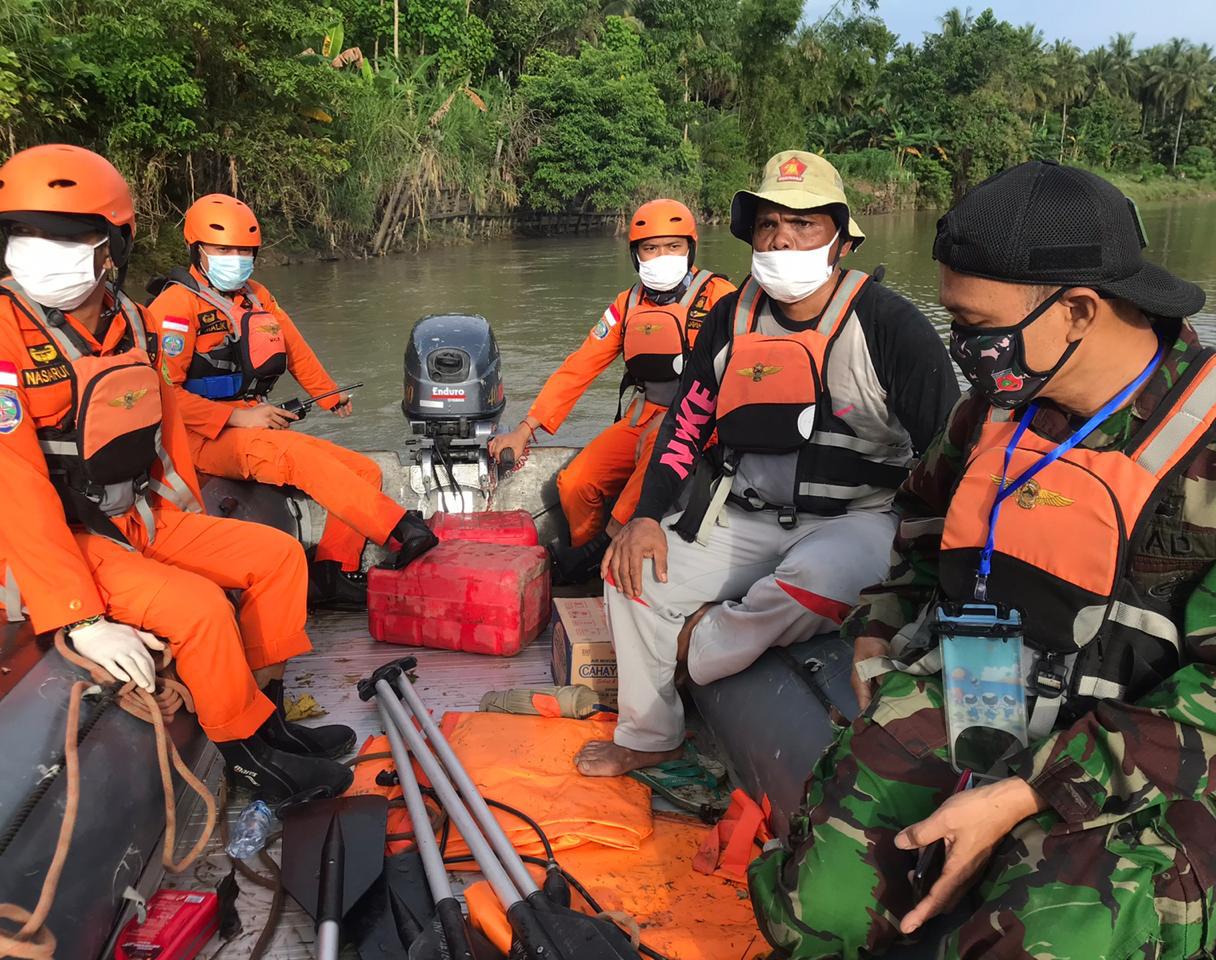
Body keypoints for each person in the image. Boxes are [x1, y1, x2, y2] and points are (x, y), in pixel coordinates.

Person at [748, 161, 1216, 958]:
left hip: (1153, 760)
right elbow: (924, 530)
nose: (962, 350)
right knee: (815, 909)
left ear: (1076, 310)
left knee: (1026, 942)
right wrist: (877, 629)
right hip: (985, 698)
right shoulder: (994, 409)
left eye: (976, 327)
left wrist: (1028, 793)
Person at [0, 145, 357, 802]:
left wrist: (182, 518)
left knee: (276, 557)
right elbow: (12, 484)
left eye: (68, 235)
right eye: (25, 233)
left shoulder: (128, 319)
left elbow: (158, 433)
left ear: (112, 246)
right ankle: (248, 759)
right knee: (197, 607)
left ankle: (264, 715)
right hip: (37, 539)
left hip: (127, 516)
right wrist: (78, 616)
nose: (43, 250)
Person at [582, 151, 958, 777]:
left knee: (816, 579)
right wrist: (646, 515)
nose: (782, 238)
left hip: (857, 518)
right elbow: (686, 426)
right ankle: (650, 735)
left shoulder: (890, 324)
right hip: (747, 511)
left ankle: (692, 647)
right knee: (631, 571)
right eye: (767, 224)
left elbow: (949, 453)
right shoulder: (731, 317)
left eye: (804, 224)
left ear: (839, 239)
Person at [145, 194, 435, 605]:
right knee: (298, 459)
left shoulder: (258, 296)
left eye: (244, 250)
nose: (236, 258)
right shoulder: (175, 306)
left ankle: (332, 572)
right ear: (198, 250)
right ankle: (403, 528)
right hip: (198, 436)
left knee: (364, 469)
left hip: (252, 418)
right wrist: (236, 420)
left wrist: (327, 395)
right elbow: (160, 395)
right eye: (224, 249)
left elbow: (294, 349)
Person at [488, 199, 735, 583]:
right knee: (575, 482)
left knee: (658, 452)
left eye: (673, 246)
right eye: (650, 248)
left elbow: (741, 377)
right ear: (636, 255)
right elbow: (580, 366)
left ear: (691, 248)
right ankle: (593, 566)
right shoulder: (627, 305)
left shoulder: (720, 297)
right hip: (645, 415)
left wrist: (675, 425)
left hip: (701, 424)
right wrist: (526, 428)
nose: (662, 256)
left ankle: (601, 550)